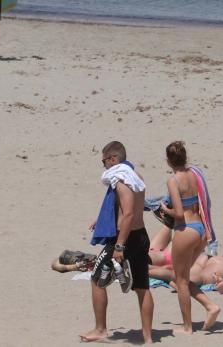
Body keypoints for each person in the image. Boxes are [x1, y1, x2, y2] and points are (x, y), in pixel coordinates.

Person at [80, 141, 154, 344]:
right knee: (142, 287)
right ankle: (148, 337)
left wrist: (119, 246)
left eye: (104, 161)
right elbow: (131, 209)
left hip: (125, 238)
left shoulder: (121, 180)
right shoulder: (136, 177)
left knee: (96, 280)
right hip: (141, 236)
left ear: (113, 159)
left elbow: (128, 213)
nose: (104, 166)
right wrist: (104, 219)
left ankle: (100, 329)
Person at [164, 141, 220, 334]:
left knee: (180, 280)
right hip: (201, 230)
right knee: (184, 278)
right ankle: (210, 306)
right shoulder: (195, 174)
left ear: (168, 161)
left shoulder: (174, 180)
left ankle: (187, 327)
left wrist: (164, 209)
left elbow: (178, 213)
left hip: (185, 228)